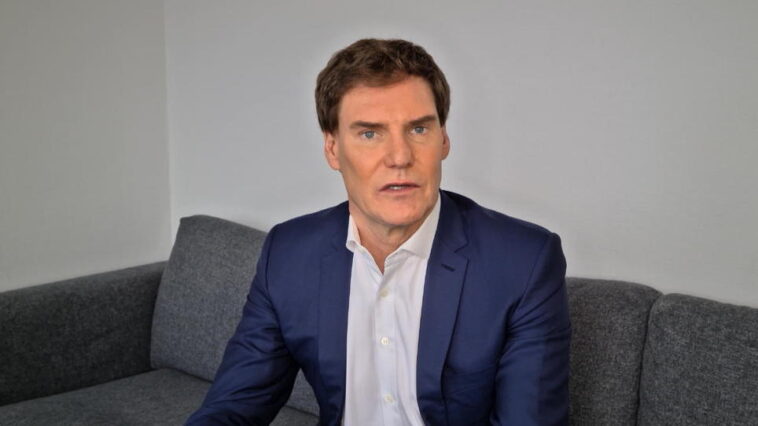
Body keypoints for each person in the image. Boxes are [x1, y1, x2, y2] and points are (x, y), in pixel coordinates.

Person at [186, 38, 570, 426]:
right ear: (333, 149)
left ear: (443, 140)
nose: (400, 157)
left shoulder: (524, 262)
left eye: (418, 128)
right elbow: (233, 406)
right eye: (370, 133)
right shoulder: (287, 254)